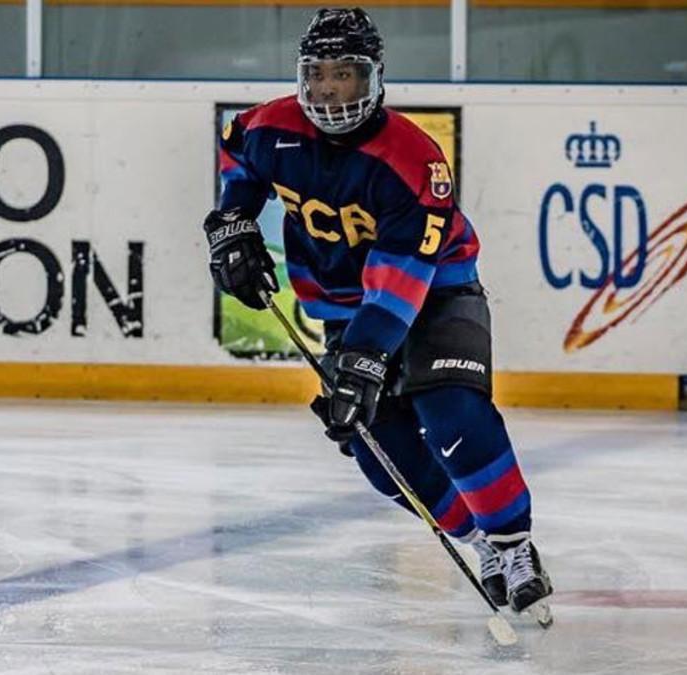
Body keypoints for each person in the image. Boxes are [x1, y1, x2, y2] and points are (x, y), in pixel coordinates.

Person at [203, 7, 552, 616]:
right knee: (377, 451)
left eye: (346, 75)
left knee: (453, 416)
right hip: (342, 305)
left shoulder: (415, 161)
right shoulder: (269, 125)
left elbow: (400, 280)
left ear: (376, 79)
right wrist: (233, 222)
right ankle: (478, 544)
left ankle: (514, 542)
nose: (329, 90)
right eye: (318, 75)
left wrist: (364, 361)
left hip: (436, 294)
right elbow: (238, 154)